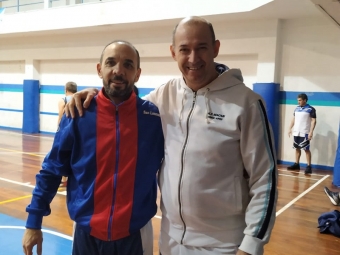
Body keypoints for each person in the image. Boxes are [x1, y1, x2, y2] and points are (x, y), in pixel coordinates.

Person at [66, 16, 278, 255]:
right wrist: (94, 96)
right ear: (173, 52)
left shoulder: (247, 103)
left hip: (225, 244)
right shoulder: (164, 96)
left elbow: (265, 178)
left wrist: (252, 244)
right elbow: (123, 102)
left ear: (216, 48)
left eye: (202, 48)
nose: (193, 58)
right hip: (170, 240)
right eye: (184, 49)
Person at [22, 40, 164, 255]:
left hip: (135, 234)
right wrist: (34, 221)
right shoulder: (78, 114)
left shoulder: (152, 118)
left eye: (128, 65)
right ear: (100, 69)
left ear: (137, 73)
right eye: (111, 63)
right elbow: (52, 169)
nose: (119, 71)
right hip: (86, 234)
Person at [287, 93, 317, 174]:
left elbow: (313, 121)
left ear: (305, 100)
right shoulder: (296, 108)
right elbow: (293, 119)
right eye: (298, 100)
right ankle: (297, 164)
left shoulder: (311, 109)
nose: (298, 102)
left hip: (305, 132)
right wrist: (290, 128)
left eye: (300, 100)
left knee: (306, 149)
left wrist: (311, 131)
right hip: (296, 132)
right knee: (297, 148)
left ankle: (308, 166)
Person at [57, 81, 77, 187]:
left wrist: (58, 128)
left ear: (66, 90)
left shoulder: (63, 100)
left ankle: (64, 178)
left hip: (65, 130)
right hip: (77, 130)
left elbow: (61, 116)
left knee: (63, 154)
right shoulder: (80, 99)